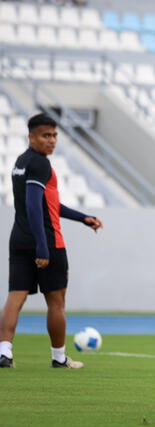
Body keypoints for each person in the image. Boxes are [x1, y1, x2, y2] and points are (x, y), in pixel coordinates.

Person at [0, 113, 103, 369]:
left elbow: (50, 204)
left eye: (55, 135)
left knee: (15, 297)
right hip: (47, 242)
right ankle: (59, 358)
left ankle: (5, 353)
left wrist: (83, 217)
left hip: (18, 240)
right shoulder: (40, 164)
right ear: (31, 136)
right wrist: (43, 247)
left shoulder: (20, 162)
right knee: (56, 301)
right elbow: (35, 207)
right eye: (46, 135)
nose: (52, 140)